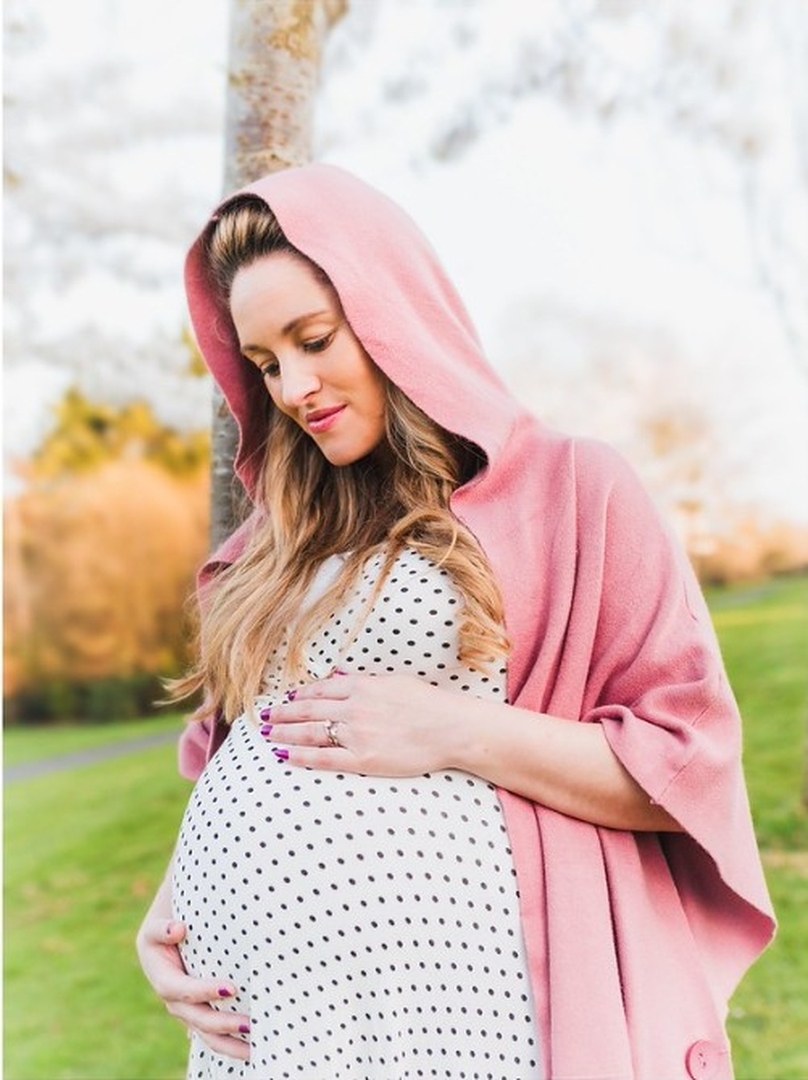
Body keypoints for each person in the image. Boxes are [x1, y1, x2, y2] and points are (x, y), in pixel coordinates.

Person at [136, 163, 775, 1080]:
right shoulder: (273, 541)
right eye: (268, 363)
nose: (295, 386)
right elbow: (250, 747)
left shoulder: (573, 489)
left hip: (456, 1001)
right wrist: (172, 907)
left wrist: (455, 730)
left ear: (391, 310)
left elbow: (687, 765)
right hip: (272, 1025)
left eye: (314, 340)